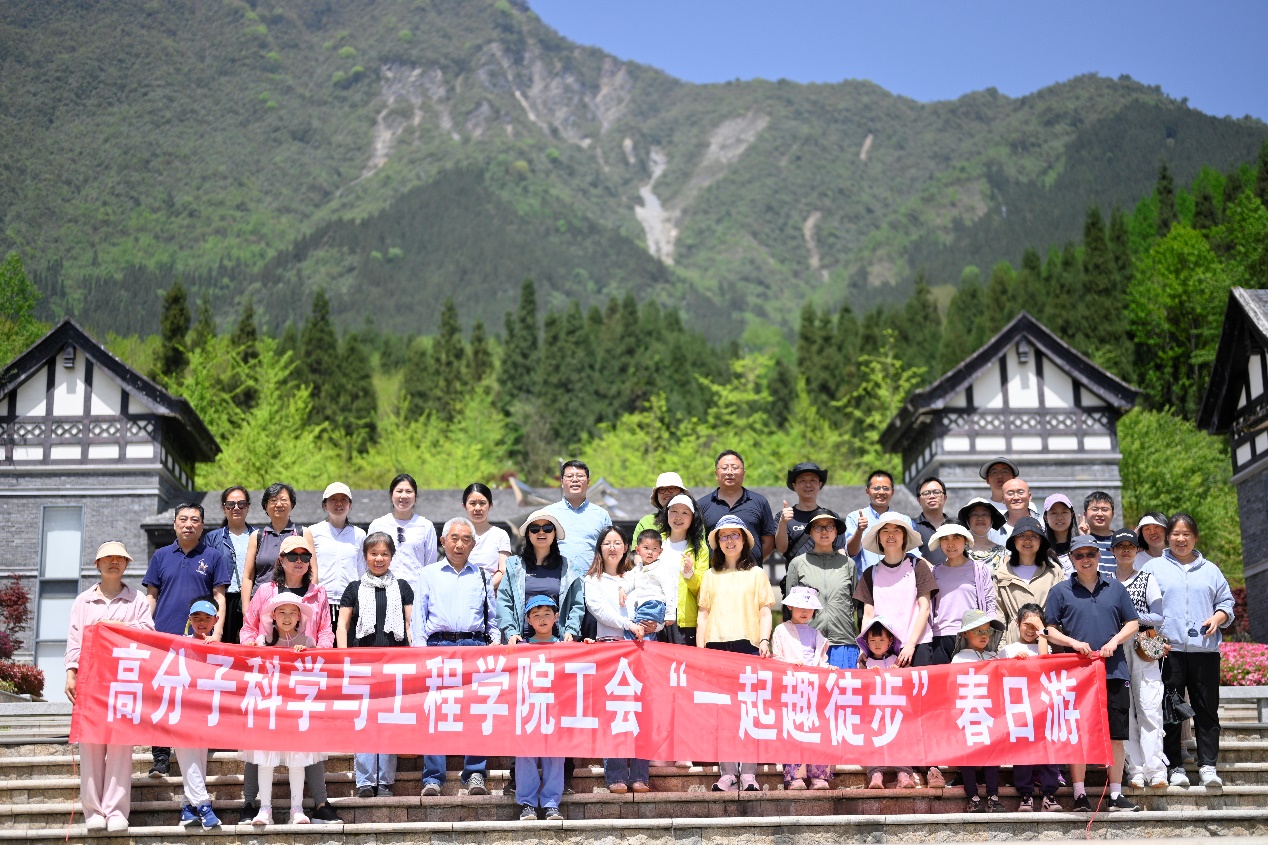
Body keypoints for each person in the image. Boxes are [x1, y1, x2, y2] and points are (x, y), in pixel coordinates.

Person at [238, 534, 341, 825]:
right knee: (259, 740)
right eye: (292, 556)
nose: (299, 561)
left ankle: (319, 803)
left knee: (307, 740)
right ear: (280, 560)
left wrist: (314, 653)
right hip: (267, 680)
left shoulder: (318, 593)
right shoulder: (265, 591)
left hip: (304, 679)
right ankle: (252, 803)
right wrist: (253, 646)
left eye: (305, 556)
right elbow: (249, 627)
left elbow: (326, 631)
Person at [1044, 535, 1141, 812]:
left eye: (1090, 554)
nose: (1085, 560)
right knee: (1079, 734)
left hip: (1114, 671)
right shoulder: (1060, 591)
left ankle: (1116, 795)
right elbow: (1049, 629)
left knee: (1116, 735)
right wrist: (1073, 643)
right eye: (1079, 555)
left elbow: (1133, 623)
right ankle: (1079, 794)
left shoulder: (1115, 588)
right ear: (1071, 559)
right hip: (1078, 676)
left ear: (1099, 556)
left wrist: (1114, 642)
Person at [66, 541, 155, 832]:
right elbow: (75, 640)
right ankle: (93, 811)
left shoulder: (137, 599)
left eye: (119, 558)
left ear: (127, 564)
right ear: (97, 564)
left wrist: (115, 626)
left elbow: (148, 632)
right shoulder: (83, 602)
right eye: (108, 558)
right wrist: (70, 673)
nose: (114, 562)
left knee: (120, 746)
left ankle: (116, 810)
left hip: (124, 680)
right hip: (91, 680)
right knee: (90, 744)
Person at [1145, 513, 1235, 789]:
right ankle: (1174, 767)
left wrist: (1218, 617)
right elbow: (1142, 611)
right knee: (1170, 711)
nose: (1180, 539)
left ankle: (1208, 766)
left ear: (1195, 538)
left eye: (1186, 534)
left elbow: (1226, 603)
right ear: (1167, 537)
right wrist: (1154, 645)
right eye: (1175, 534)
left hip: (1204, 651)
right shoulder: (1153, 568)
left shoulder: (1211, 570)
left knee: (1206, 710)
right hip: (1168, 651)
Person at [142, 502, 230, 777]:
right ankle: (160, 756)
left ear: (202, 526)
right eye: (183, 519)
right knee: (162, 695)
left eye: (194, 520)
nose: (188, 524)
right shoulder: (160, 556)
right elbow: (151, 596)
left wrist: (217, 633)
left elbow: (219, 597)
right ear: (175, 524)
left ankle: (196, 747)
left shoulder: (214, 556)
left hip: (199, 639)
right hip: (163, 636)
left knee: (195, 695)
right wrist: (144, 627)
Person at [416, 517, 497, 798]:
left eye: (466, 539)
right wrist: (420, 653)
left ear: (473, 544)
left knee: (477, 710)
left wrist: (494, 644)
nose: (459, 544)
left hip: (474, 645)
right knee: (435, 711)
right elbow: (419, 617)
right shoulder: (428, 574)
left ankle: (475, 773)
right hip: (438, 646)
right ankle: (432, 777)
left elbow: (491, 617)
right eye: (454, 538)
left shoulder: (483, 575)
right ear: (443, 541)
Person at [696, 514, 775, 792]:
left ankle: (749, 774)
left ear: (744, 540)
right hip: (717, 647)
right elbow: (703, 615)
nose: (729, 541)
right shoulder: (710, 575)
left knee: (749, 712)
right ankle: (728, 773)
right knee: (723, 715)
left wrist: (764, 639)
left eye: (735, 535)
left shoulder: (757, 574)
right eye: (724, 536)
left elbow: (765, 611)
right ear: (718, 542)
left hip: (748, 646)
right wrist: (700, 651)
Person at [338, 532, 414, 798]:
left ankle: (384, 781)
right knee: (365, 721)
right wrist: (343, 659)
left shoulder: (403, 587)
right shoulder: (353, 588)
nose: (379, 558)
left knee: (389, 721)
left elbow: (410, 625)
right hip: (362, 665)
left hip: (395, 666)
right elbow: (342, 626)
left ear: (391, 556)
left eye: (384, 554)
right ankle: (365, 781)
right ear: (365, 556)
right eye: (373, 553)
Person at [585, 525, 659, 794]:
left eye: (618, 542)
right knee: (614, 711)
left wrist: (653, 624)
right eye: (607, 543)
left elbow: (652, 604)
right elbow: (600, 611)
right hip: (610, 650)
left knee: (642, 711)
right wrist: (629, 623)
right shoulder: (592, 580)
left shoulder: (637, 576)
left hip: (640, 649)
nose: (613, 547)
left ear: (626, 547)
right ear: (600, 548)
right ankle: (615, 774)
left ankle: (640, 774)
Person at [240, 593, 326, 825]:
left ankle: (296, 809)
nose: (287, 617)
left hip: (296, 711)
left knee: (297, 759)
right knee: (264, 760)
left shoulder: (308, 642)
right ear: (273, 616)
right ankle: (265, 809)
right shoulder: (262, 641)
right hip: (269, 710)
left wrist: (306, 654)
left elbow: (316, 672)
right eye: (282, 612)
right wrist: (251, 650)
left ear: (299, 617)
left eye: (292, 613)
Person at [1110, 529, 1168, 789]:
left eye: (1130, 546)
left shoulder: (1147, 578)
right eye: (1120, 546)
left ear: (1137, 550)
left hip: (1144, 646)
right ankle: (1134, 770)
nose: (1126, 550)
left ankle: (1156, 770)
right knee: (1125, 710)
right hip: (1116, 650)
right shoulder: (1106, 581)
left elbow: (1159, 616)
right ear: (1112, 551)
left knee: (1149, 707)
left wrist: (1131, 618)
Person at [853, 512, 937, 668]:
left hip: (918, 644)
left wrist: (911, 644)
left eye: (897, 530)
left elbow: (924, 608)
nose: (891, 535)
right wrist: (863, 648)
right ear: (878, 538)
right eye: (885, 531)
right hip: (883, 648)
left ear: (904, 536)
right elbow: (868, 615)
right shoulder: (870, 573)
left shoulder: (918, 566)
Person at [999, 604, 1061, 811]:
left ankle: (1049, 794)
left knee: (1048, 749)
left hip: (1043, 706)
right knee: (1023, 751)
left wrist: (1042, 631)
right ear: (1017, 623)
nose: (1031, 630)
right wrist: (1014, 663)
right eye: (1027, 624)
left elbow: (1045, 664)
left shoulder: (1046, 646)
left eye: (1036, 625)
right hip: (1019, 709)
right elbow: (1000, 676)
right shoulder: (1007, 650)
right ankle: (1025, 795)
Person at [772, 585, 831, 791]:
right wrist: (790, 665)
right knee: (793, 731)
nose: (804, 612)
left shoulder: (817, 634)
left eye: (809, 608)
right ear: (789, 606)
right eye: (799, 607)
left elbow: (821, 661)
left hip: (813, 691)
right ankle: (794, 776)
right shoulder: (781, 630)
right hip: (792, 690)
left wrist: (827, 668)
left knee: (817, 730)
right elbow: (776, 659)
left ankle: (819, 776)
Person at [784, 511, 860, 668]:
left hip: (842, 641)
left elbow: (855, 601)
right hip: (807, 643)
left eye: (829, 527)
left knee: (844, 683)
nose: (824, 531)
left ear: (836, 532)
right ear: (810, 532)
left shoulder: (848, 564)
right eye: (818, 527)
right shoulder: (798, 564)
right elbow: (791, 604)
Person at [368, 473, 438, 643]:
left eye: (409, 491)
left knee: (414, 641)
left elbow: (430, 564)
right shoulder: (378, 524)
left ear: (415, 496)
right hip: (383, 593)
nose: (404, 496)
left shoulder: (426, 525)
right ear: (391, 494)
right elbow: (369, 560)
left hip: (416, 594)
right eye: (399, 491)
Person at [515, 595, 567, 821]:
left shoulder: (566, 648)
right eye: (536, 615)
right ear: (528, 620)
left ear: (556, 617)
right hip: (528, 710)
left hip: (556, 710)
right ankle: (527, 803)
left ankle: (551, 804)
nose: (542, 619)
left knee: (555, 757)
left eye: (547, 614)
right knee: (525, 755)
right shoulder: (520, 648)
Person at [498, 509, 586, 644]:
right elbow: (504, 602)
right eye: (534, 528)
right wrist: (511, 632)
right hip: (521, 643)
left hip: (560, 643)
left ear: (554, 533)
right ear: (528, 534)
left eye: (547, 528)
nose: (541, 532)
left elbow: (577, 604)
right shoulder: (514, 566)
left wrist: (571, 630)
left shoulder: (569, 568)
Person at [952, 608, 1006, 812]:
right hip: (967, 713)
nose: (984, 636)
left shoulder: (994, 657)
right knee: (969, 755)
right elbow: (951, 687)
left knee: (992, 754)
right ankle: (972, 797)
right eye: (978, 631)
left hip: (990, 714)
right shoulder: (959, 659)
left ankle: (993, 795)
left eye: (987, 631)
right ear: (966, 634)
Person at [175, 599, 221, 830]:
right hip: (179, 710)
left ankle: (188, 807)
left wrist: (215, 647)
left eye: (206, 618)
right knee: (188, 756)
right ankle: (203, 805)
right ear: (189, 620)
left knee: (198, 760)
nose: (201, 623)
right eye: (196, 618)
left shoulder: (219, 648)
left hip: (203, 711)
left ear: (215, 620)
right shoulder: (179, 644)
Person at [928, 523, 996, 665]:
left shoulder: (978, 568)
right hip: (940, 637)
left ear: (965, 541)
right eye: (945, 538)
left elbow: (990, 603)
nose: (950, 544)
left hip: (971, 636)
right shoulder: (934, 571)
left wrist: (987, 635)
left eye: (956, 538)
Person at [241, 482, 316, 614]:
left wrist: (308, 602)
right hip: (261, 604)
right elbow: (248, 576)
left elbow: (313, 572)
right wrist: (246, 609)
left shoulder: (303, 533)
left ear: (292, 505)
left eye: (283, 500)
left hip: (295, 604)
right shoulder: (257, 536)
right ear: (266, 506)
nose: (279, 504)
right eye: (273, 500)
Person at [857, 618, 914, 789]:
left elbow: (910, 682)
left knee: (901, 738)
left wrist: (899, 673)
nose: (877, 644)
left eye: (882, 639)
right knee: (874, 739)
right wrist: (869, 676)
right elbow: (859, 685)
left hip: (897, 711)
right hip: (874, 712)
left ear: (890, 641)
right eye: (872, 640)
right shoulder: (864, 662)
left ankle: (903, 773)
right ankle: (876, 774)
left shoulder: (899, 660)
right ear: (866, 642)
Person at [994, 516, 1063, 646]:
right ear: (1014, 540)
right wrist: (1000, 648)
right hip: (1015, 643)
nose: (1027, 540)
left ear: (1041, 541)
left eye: (1034, 536)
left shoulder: (1054, 571)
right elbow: (999, 615)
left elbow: (1062, 609)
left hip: (1048, 642)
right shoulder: (1002, 574)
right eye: (1022, 535)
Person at [698, 450, 777, 563]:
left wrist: (751, 562)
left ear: (743, 473)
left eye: (735, 468)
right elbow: (696, 540)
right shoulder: (702, 505)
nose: (730, 472)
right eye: (724, 468)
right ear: (716, 474)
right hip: (715, 571)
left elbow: (769, 541)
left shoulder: (759, 502)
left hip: (751, 571)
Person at [654, 493, 710, 646]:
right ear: (667, 514)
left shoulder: (700, 548)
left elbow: (701, 589)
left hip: (682, 618)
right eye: (674, 511)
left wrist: (689, 572)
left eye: (685, 513)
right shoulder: (656, 541)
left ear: (693, 518)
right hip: (656, 613)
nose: (678, 517)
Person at [202, 486, 255, 644]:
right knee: (223, 643)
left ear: (248, 507)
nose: (236, 508)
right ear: (224, 508)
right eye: (231, 504)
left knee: (251, 643)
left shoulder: (258, 535)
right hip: (224, 598)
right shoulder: (213, 538)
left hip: (252, 598)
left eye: (241, 504)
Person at [311, 481, 367, 626]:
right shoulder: (313, 532)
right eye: (333, 499)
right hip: (320, 600)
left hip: (350, 601)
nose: (339, 503)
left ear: (350, 505)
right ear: (324, 505)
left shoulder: (359, 534)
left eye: (343, 499)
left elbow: (362, 569)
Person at [545, 460, 612, 567]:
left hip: (592, 576)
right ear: (562, 482)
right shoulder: (548, 513)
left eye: (580, 476)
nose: (575, 480)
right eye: (569, 476)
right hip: (556, 576)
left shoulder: (602, 515)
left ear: (588, 482)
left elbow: (609, 549)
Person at [845, 470, 916, 572]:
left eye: (886, 488)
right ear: (867, 491)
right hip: (867, 579)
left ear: (893, 492)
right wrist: (859, 531)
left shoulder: (904, 520)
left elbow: (913, 552)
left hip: (899, 578)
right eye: (876, 488)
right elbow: (851, 553)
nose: (881, 492)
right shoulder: (855, 517)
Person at [776, 462, 845, 561]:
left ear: (820, 485)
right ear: (794, 485)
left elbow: (840, 549)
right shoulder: (783, 517)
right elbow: (781, 549)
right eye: (802, 480)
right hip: (796, 571)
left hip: (827, 569)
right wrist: (783, 523)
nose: (808, 485)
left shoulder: (831, 517)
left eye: (813, 480)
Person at [463, 482, 511, 596]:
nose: (477, 508)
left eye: (482, 503)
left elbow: (504, 570)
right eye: (472, 503)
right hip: (462, 593)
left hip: (490, 596)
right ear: (464, 506)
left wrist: (484, 589)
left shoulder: (500, 535)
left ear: (490, 505)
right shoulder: (458, 534)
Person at [633, 529, 680, 639]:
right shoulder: (637, 569)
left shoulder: (662, 570)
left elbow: (670, 592)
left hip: (654, 604)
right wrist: (621, 589)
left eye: (654, 549)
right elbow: (628, 581)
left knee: (643, 627)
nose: (650, 552)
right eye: (646, 548)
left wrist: (670, 614)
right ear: (637, 550)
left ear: (660, 551)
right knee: (638, 629)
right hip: (640, 606)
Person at [633, 471, 688, 538]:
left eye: (671, 488)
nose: (666, 492)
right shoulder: (646, 523)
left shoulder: (693, 520)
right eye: (662, 489)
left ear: (681, 492)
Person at [959, 498, 1008, 572]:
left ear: (991, 520)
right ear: (967, 520)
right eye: (974, 514)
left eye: (985, 514)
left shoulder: (1002, 552)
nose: (980, 518)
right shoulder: (958, 550)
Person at [912, 476, 950, 566]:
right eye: (926, 493)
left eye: (936, 492)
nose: (932, 496)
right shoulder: (912, 528)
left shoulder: (956, 526)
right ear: (919, 500)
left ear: (945, 498)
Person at [1080, 492, 1119, 578]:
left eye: (1105, 509)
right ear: (1085, 514)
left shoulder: (1120, 541)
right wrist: (1084, 539)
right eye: (1095, 509)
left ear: (1112, 514)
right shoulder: (1078, 541)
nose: (1100, 514)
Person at [990, 477, 1039, 545]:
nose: (1016, 497)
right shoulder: (992, 529)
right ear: (1003, 499)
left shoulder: (1043, 524)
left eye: (1020, 492)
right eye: (1010, 493)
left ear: (1029, 496)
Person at [1042, 494, 1076, 567]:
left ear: (1072, 515)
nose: (1059, 517)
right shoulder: (1040, 549)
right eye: (1054, 513)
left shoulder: (1081, 545)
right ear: (1045, 517)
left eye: (1064, 512)